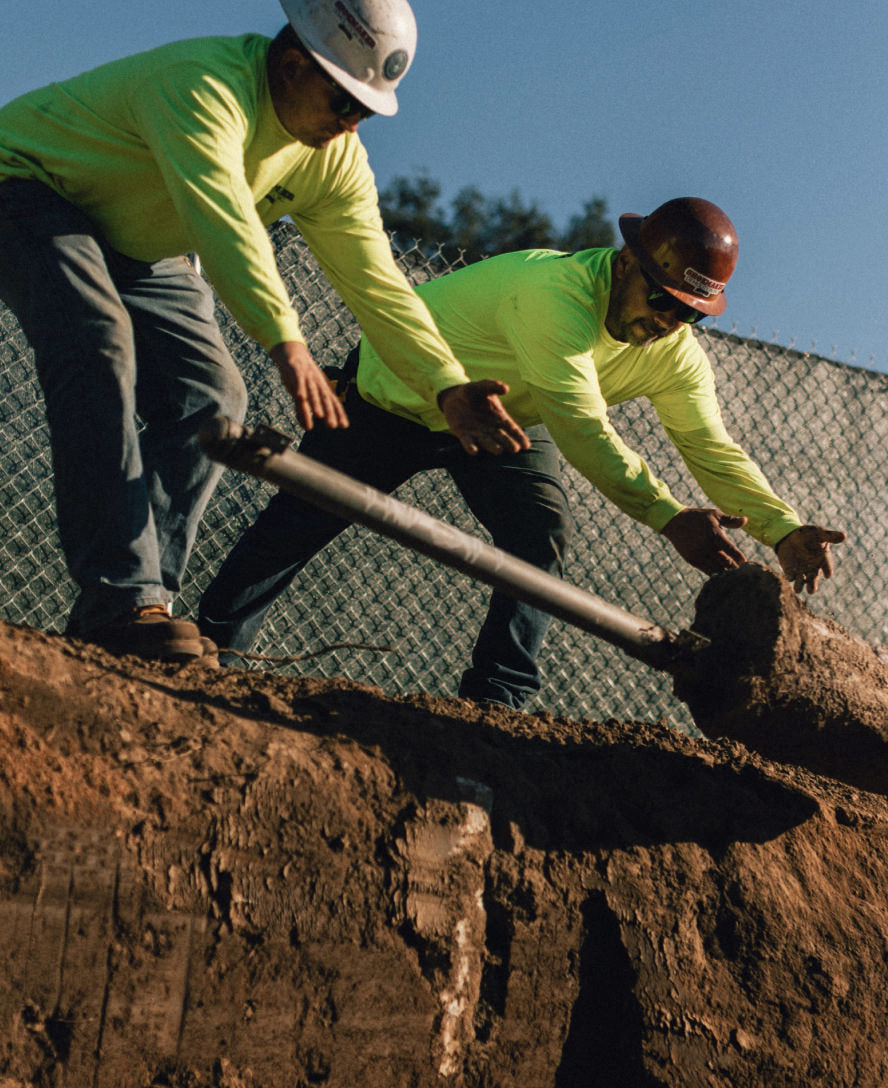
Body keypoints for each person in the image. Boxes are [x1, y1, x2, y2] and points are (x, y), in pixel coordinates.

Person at [0, 0, 526, 663]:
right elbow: (222, 219)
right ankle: (121, 600)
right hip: (29, 185)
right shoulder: (205, 84)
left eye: (364, 112)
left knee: (214, 399)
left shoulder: (334, 161)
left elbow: (378, 283)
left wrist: (446, 385)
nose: (348, 126)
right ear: (292, 63)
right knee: (98, 344)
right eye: (342, 102)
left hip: (141, 246)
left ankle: (144, 603)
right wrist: (286, 338)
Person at [199, 196, 846, 708]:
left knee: (541, 534)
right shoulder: (556, 294)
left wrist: (780, 527)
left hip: (502, 416)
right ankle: (210, 649)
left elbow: (710, 446)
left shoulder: (672, 352)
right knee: (300, 520)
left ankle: (499, 700)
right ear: (626, 265)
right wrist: (668, 517)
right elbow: (581, 424)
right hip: (394, 393)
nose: (667, 324)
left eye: (690, 315)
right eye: (661, 301)